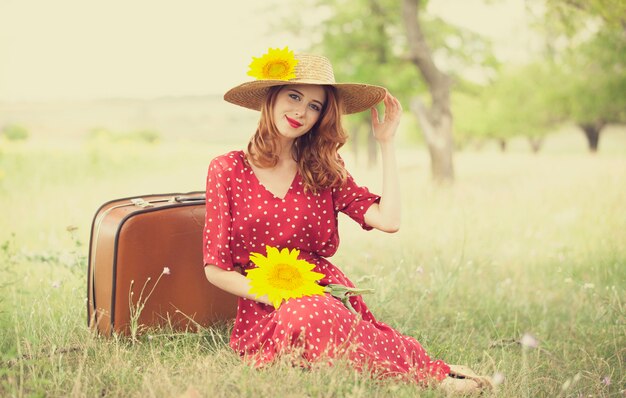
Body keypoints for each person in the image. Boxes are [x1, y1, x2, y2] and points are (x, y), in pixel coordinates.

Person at [203, 48, 491, 393]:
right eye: (294, 96)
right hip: (263, 303)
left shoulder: (322, 168)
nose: (301, 112)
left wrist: (386, 143)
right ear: (272, 96)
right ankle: (431, 376)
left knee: (313, 315)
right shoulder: (227, 168)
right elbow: (215, 269)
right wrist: (278, 297)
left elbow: (389, 220)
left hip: (322, 290)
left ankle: (431, 373)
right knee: (303, 316)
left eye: (315, 106)